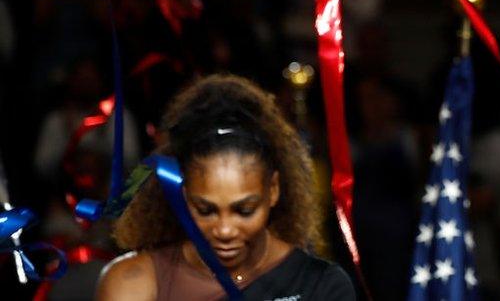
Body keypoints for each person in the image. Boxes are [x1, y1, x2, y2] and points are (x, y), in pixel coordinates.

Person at [95, 74, 355, 300]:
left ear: (273, 190)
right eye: (206, 210)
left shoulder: (320, 285)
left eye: (244, 210)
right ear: (182, 195)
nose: (224, 230)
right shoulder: (131, 283)